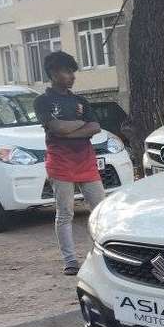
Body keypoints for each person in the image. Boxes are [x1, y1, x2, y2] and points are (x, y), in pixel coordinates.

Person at [34, 51, 106, 275]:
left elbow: (95, 127)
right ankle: (70, 261)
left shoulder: (80, 101)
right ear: (53, 73)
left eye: (73, 72)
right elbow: (56, 127)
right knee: (65, 213)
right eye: (67, 71)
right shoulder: (42, 101)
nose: (72, 77)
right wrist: (78, 127)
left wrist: (67, 131)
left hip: (86, 161)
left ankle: (100, 255)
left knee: (100, 210)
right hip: (60, 164)